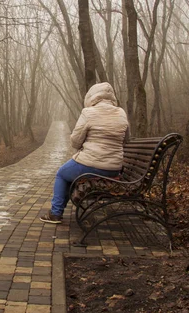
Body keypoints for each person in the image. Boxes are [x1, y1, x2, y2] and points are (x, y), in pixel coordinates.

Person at [40, 82, 129, 224]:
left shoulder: (88, 112)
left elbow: (75, 141)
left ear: (92, 96)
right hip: (114, 169)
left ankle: (55, 213)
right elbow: (126, 140)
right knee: (70, 173)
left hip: (92, 165)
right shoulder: (121, 112)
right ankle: (57, 211)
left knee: (62, 173)